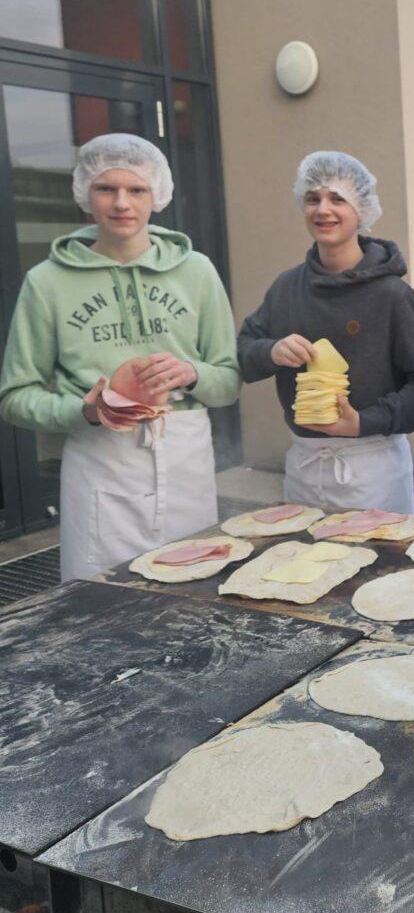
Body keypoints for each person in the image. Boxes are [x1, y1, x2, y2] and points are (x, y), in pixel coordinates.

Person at [0, 134, 240, 581]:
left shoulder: (197, 271)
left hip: (186, 455)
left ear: (158, 195)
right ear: (85, 195)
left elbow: (227, 382)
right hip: (99, 461)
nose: (121, 203)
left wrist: (192, 372)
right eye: (106, 188)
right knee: (101, 600)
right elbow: (15, 396)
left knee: (194, 594)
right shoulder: (46, 282)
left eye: (137, 190)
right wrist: (85, 410)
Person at [237, 152, 414, 513]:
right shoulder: (286, 288)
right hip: (304, 466)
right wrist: (271, 351)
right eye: (313, 198)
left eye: (338, 199)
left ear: (362, 209)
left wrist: (363, 421)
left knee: (377, 567)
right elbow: (243, 354)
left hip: (373, 470)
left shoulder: (392, 297)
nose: (323, 209)